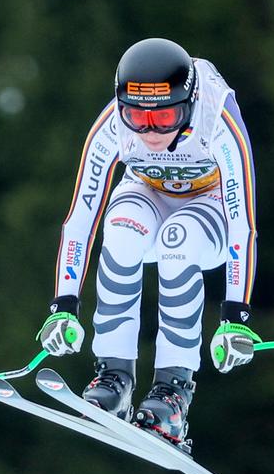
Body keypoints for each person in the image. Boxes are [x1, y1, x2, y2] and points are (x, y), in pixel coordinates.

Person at [36, 38, 259, 450]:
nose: (150, 130)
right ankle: (114, 376)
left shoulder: (218, 118)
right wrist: (63, 306)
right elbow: (80, 218)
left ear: (189, 104)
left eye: (166, 116)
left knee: (179, 242)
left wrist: (235, 316)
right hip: (147, 191)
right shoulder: (112, 126)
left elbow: (243, 222)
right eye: (137, 117)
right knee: (120, 230)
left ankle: (173, 392)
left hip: (207, 207)